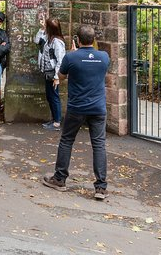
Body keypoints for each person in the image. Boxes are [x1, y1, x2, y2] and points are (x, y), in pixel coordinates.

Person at [42, 25, 110, 200]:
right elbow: (100, 72)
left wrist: (74, 55)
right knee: (99, 144)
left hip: (77, 107)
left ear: (77, 40)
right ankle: (100, 187)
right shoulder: (103, 57)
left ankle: (59, 178)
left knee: (66, 141)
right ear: (93, 40)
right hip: (98, 108)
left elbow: (61, 76)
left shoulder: (71, 57)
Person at [34, 18, 67, 131]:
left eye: (46, 26)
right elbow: (36, 40)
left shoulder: (57, 42)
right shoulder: (48, 38)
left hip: (53, 74)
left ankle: (57, 122)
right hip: (47, 72)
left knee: (54, 97)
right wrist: (42, 29)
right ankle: (54, 119)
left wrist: (57, 77)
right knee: (50, 96)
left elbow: (61, 60)